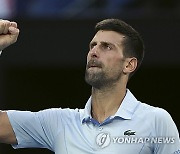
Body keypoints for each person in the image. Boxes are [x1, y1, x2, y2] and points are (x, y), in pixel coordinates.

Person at [0, 19, 179, 154]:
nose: (93, 52)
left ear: (129, 65)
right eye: (92, 45)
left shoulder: (157, 120)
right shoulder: (60, 123)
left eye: (107, 47)